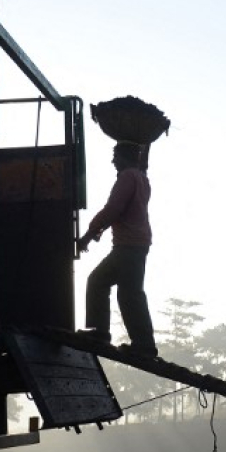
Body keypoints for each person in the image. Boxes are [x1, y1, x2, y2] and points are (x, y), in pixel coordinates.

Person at [76, 141, 157, 357]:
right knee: (107, 284)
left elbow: (112, 209)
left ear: (124, 157)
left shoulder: (128, 177)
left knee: (127, 292)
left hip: (128, 245)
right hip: (134, 244)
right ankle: (107, 333)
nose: (113, 161)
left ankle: (142, 344)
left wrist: (87, 236)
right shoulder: (141, 177)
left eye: (116, 156)